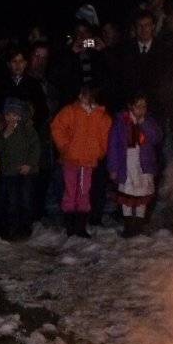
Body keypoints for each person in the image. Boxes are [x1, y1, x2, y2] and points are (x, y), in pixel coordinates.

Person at [51, 84, 112, 237]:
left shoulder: (101, 115)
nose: (87, 100)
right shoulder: (70, 111)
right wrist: (65, 147)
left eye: (90, 97)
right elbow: (57, 127)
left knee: (84, 191)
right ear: (79, 96)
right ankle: (70, 226)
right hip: (70, 159)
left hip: (88, 161)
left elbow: (105, 136)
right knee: (70, 190)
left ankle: (81, 226)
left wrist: (99, 151)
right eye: (84, 96)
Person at [106, 92, 163, 237]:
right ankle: (128, 225)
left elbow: (156, 138)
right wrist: (113, 167)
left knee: (142, 194)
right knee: (128, 194)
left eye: (144, 106)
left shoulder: (149, 121)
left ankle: (138, 225)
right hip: (127, 164)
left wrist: (144, 123)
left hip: (144, 164)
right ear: (130, 107)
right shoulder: (121, 122)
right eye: (138, 106)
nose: (141, 109)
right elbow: (113, 145)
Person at [0, 99, 41, 240]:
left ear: (21, 115)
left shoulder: (28, 130)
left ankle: (25, 228)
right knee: (11, 202)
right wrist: (5, 134)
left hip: (27, 172)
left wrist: (29, 165)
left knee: (25, 200)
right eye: (8, 115)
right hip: (9, 173)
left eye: (15, 115)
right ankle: (10, 229)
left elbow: (35, 148)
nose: (11, 118)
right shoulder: (1, 130)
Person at [0, 45, 48, 128]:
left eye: (21, 61)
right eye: (14, 61)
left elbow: (42, 110)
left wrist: (32, 123)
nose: (18, 65)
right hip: (4, 129)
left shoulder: (34, 84)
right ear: (9, 64)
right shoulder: (0, 83)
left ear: (25, 63)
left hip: (26, 130)